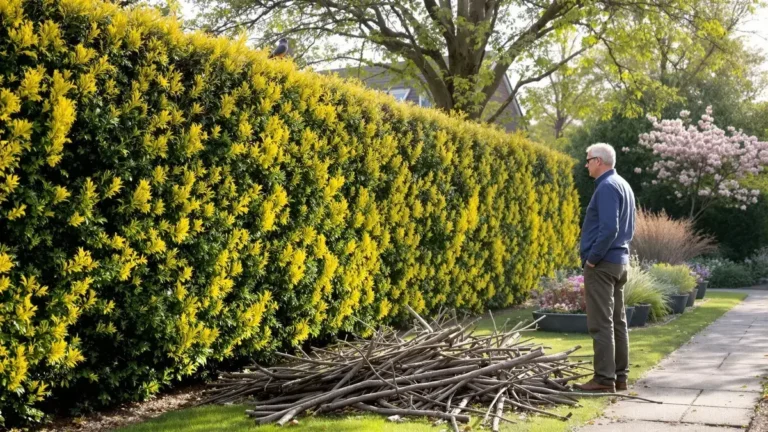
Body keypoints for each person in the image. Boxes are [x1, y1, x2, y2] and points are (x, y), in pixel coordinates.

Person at [575, 143, 636, 393]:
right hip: (619, 262)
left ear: (599, 161)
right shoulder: (623, 184)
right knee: (617, 322)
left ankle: (603, 379)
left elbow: (609, 228)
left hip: (603, 264)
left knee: (601, 323)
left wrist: (592, 258)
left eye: (588, 159)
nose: (586, 164)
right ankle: (619, 378)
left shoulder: (607, 187)